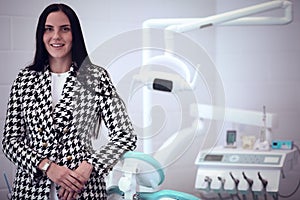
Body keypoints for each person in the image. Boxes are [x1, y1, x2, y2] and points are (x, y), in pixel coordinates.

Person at [2, 3, 137, 200]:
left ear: (75, 35)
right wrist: (47, 166)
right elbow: (10, 141)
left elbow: (125, 134)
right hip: (30, 191)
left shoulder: (95, 78)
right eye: (49, 29)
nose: (56, 36)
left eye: (64, 29)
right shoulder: (24, 79)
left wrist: (89, 165)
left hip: (82, 189)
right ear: (41, 35)